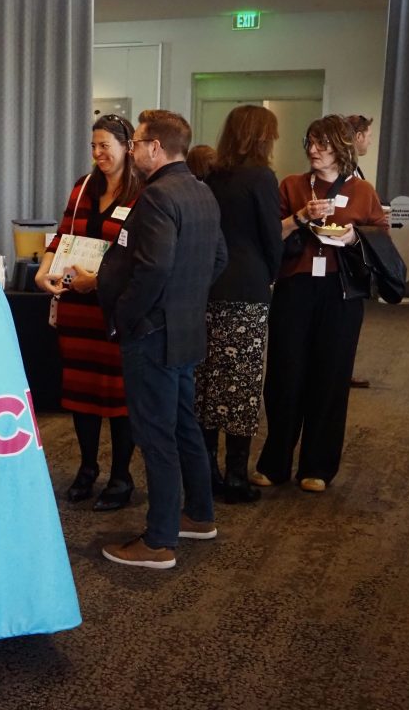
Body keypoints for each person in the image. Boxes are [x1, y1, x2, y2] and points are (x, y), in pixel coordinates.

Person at [97, 109, 227, 569]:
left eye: (136, 143)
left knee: (156, 436)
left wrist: (125, 317)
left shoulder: (156, 197)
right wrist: (185, 299)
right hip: (186, 329)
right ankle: (199, 515)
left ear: (155, 148)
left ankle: (158, 541)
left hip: (152, 334)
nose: (132, 151)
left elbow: (151, 269)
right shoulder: (202, 192)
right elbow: (218, 259)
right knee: (183, 425)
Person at [252, 115, 388, 493]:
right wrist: (299, 218)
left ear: (340, 148)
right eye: (309, 142)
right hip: (295, 289)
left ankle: (318, 466)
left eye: (322, 144)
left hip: (341, 293)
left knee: (330, 375)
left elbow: (380, 236)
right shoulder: (293, 185)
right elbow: (269, 233)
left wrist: (352, 237)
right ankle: (275, 462)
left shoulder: (362, 190)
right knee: (284, 374)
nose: (313, 150)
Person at [35, 113, 141, 511]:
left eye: (105, 147)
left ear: (128, 147)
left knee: (117, 396)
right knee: (80, 394)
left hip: (114, 307)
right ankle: (86, 468)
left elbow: (138, 257)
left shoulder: (141, 192)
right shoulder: (82, 189)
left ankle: (121, 476)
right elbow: (62, 235)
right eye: (93, 146)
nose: (98, 154)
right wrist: (44, 272)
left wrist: (96, 281)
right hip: (76, 306)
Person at [195, 105, 283, 503]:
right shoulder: (262, 176)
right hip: (247, 286)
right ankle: (235, 476)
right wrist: (273, 273)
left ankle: (207, 471)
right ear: (262, 136)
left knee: (209, 381)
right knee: (242, 384)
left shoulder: (212, 176)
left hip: (209, 286)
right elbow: (270, 236)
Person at [345, 113, 375, 389]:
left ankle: (344, 368)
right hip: (345, 259)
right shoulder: (348, 173)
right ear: (357, 137)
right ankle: (341, 370)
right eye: (367, 136)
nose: (369, 142)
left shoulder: (356, 171)